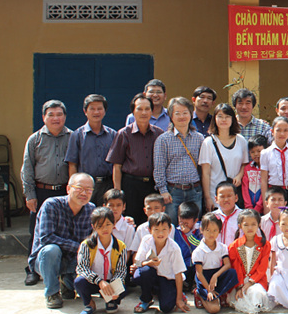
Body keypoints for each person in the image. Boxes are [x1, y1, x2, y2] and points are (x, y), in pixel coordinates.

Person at [22, 99, 72, 286]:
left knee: (65, 231)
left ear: (65, 117)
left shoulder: (72, 137)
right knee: (36, 231)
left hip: (65, 192)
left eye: (59, 114)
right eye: (51, 114)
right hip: (41, 192)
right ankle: (32, 269)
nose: (55, 118)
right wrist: (30, 195)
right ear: (44, 117)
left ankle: (64, 271)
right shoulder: (35, 139)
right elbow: (27, 168)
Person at [28, 172, 95, 308]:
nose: (84, 193)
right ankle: (52, 293)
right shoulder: (51, 205)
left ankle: (66, 282)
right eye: (79, 188)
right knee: (51, 249)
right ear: (68, 189)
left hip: (72, 261)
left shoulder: (91, 210)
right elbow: (47, 238)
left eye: (88, 190)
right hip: (47, 260)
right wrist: (78, 247)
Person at [107, 93, 164, 226]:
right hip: (131, 184)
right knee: (131, 222)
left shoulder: (159, 134)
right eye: (139, 109)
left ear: (152, 111)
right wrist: (118, 191)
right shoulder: (124, 134)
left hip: (152, 185)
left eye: (147, 109)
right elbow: (117, 165)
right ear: (133, 111)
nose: (143, 112)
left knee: (153, 222)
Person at [153, 96, 204, 224]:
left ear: (191, 114)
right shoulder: (163, 139)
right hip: (172, 192)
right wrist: (163, 191)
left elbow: (204, 167)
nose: (182, 116)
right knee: (172, 227)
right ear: (171, 116)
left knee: (195, 227)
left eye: (185, 113)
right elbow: (159, 168)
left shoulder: (199, 138)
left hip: (195, 190)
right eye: (177, 113)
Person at [74, 206, 128, 314]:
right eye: (100, 226)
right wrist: (99, 281)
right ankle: (89, 304)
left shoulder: (120, 246)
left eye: (108, 224)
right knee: (79, 282)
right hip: (93, 282)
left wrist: (113, 286)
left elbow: (121, 270)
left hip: (110, 281)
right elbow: (82, 268)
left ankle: (110, 301)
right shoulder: (86, 245)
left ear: (113, 224)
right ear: (93, 227)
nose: (105, 229)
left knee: (123, 288)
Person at [132, 212, 190, 314]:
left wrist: (179, 299)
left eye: (164, 229)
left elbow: (178, 273)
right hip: (152, 275)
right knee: (140, 273)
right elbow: (138, 263)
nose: (160, 233)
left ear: (170, 230)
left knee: (166, 308)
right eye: (156, 230)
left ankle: (176, 293)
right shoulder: (146, 240)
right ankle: (146, 299)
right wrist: (149, 263)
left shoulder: (174, 248)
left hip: (167, 278)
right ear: (150, 230)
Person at [65, 94, 116, 206]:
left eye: (99, 109)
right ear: (85, 111)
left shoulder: (112, 135)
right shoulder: (77, 135)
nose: (96, 112)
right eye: (92, 109)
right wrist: (74, 187)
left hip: (107, 185)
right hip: (85, 187)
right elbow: (72, 164)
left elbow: (117, 164)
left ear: (104, 111)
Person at [199, 103, 248, 211]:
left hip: (235, 194)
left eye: (227, 116)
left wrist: (239, 175)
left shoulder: (241, 140)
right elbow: (205, 173)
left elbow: (245, 164)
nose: (223, 120)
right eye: (220, 116)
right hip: (216, 195)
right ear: (214, 119)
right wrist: (207, 198)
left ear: (233, 119)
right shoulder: (208, 142)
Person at [192, 212, 238, 313]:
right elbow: (199, 273)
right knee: (214, 309)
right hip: (204, 278)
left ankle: (218, 295)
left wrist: (216, 276)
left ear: (219, 231)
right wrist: (209, 289)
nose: (211, 234)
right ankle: (200, 294)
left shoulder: (222, 247)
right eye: (208, 230)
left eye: (215, 230)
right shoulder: (198, 251)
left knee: (233, 273)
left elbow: (227, 265)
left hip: (217, 275)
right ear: (202, 230)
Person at [228, 209, 272, 314]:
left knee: (256, 292)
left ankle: (257, 304)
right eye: (246, 225)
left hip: (257, 280)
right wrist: (240, 286)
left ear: (258, 225)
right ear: (240, 226)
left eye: (253, 224)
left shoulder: (265, 245)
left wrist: (251, 282)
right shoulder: (234, 246)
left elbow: (262, 268)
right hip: (240, 281)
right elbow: (236, 267)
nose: (250, 228)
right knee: (239, 296)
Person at [261, 117, 288, 209]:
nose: (282, 133)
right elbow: (263, 180)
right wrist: (265, 204)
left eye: (285, 130)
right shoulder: (265, 153)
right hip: (273, 193)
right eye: (278, 130)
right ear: (272, 131)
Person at [175, 202, 202, 283]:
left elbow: (200, 246)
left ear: (195, 221)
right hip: (184, 264)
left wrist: (189, 234)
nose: (183, 226)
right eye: (181, 222)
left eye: (187, 223)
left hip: (197, 264)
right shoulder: (176, 231)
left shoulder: (200, 229)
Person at [242, 135, 269, 212]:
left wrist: (259, 206)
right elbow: (245, 188)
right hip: (249, 209)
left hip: (263, 208)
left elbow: (266, 188)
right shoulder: (247, 168)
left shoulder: (268, 168)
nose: (256, 154)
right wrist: (248, 206)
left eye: (259, 151)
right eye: (252, 152)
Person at [212, 182, 242, 247]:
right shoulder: (212, 217)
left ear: (236, 197)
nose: (226, 199)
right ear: (216, 199)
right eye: (222, 196)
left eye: (229, 196)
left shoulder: (244, 217)